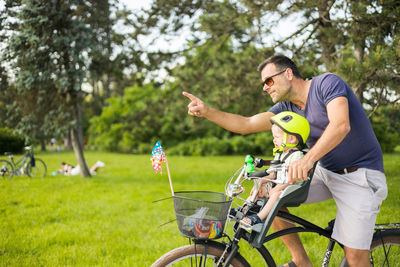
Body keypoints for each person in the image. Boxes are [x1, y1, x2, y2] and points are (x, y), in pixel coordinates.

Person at [183, 55, 387, 267]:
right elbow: (246, 124)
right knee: (270, 195)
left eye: (268, 81)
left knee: (355, 259)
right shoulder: (286, 108)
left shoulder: (327, 84)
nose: (265, 88)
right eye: (263, 84)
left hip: (360, 175)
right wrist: (207, 112)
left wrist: (307, 160)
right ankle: (301, 261)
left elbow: (341, 125)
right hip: (325, 171)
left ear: (288, 73)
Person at [240, 111, 310, 229]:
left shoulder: (297, 156)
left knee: (275, 194)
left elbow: (292, 179)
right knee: (257, 187)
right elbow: (274, 173)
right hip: (279, 184)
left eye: (277, 137)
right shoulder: (280, 154)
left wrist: (279, 187)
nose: (274, 140)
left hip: (292, 188)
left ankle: (259, 218)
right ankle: (243, 210)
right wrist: (261, 179)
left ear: (292, 139)